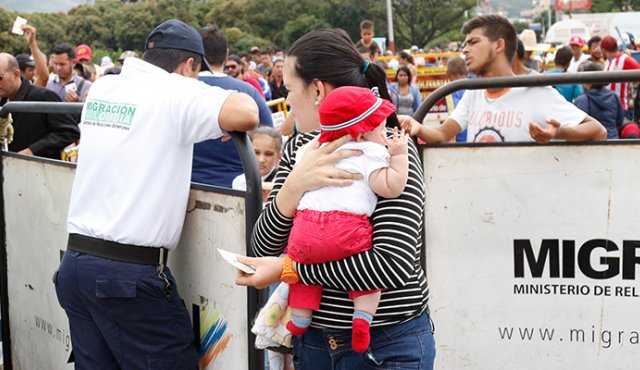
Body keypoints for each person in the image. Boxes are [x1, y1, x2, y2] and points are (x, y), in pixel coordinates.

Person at [55, 19, 259, 369]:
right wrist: (223, 119)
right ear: (187, 66)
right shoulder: (176, 92)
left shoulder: (104, 88)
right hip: (126, 279)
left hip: (76, 266)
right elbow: (247, 112)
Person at [235, 28, 434, 369]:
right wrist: (295, 185)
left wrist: (290, 270)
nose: (287, 98)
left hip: (385, 344)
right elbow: (262, 246)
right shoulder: (300, 148)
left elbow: (391, 264)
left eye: (291, 88)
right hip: (313, 342)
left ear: (316, 90)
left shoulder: (389, 150)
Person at [283, 85, 408, 354]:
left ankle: (301, 317)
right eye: (381, 129)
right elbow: (391, 187)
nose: (385, 134)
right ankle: (362, 318)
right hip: (345, 230)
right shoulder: (370, 153)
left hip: (305, 228)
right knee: (368, 282)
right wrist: (398, 155)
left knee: (302, 268)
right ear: (362, 132)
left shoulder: (310, 151)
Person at [400, 15, 606, 144]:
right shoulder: (473, 93)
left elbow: (598, 130)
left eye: (473, 42)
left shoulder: (535, 92)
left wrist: (559, 132)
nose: (465, 49)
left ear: (499, 45)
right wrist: (417, 127)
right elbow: (443, 133)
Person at [192, 24, 274, 188]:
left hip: (187, 188)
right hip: (239, 190)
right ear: (227, 54)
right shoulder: (248, 93)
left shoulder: (181, 91)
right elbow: (268, 138)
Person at [0, 53, 79, 159]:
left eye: (0, 77)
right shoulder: (4, 100)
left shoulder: (42, 96)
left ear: (16, 74)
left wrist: (32, 150)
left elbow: (69, 131)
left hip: (39, 169)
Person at [574, 61, 623, 139]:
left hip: (592, 144)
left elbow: (579, 125)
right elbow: (619, 121)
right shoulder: (614, 96)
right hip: (613, 140)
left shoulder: (582, 100)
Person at [232, 126, 282, 199]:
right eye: (256, 152)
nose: (261, 160)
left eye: (268, 154)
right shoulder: (239, 182)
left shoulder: (283, 183)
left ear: (279, 156)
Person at [601, 35, 640, 121]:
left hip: (621, 108)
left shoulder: (625, 59)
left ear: (603, 50)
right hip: (607, 107)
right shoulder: (608, 61)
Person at [446, 56, 469, 142]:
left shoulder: (445, 93)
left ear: (447, 74)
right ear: (467, 72)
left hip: (455, 146)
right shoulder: (479, 89)